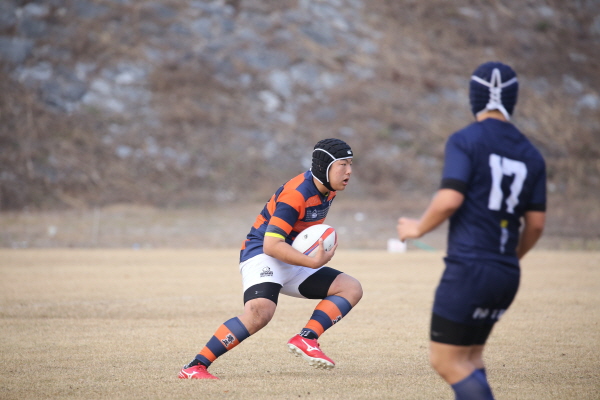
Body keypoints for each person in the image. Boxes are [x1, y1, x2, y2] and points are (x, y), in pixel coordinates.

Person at [397, 61, 546, 400]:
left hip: (469, 269)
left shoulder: (465, 140)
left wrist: (417, 228)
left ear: (474, 97)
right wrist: (510, 258)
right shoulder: (531, 154)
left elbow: (449, 200)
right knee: (470, 358)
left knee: (447, 361)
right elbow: (536, 224)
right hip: (506, 272)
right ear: (513, 99)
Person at [179, 138, 363, 380]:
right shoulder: (296, 194)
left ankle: (307, 339)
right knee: (259, 313)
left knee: (350, 288)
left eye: (350, 164)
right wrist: (312, 262)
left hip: (290, 255)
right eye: (342, 164)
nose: (349, 171)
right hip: (262, 254)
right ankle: (195, 367)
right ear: (323, 167)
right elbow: (271, 244)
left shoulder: (328, 190)